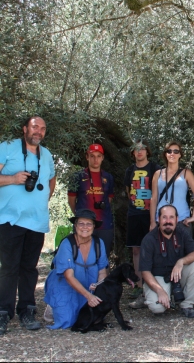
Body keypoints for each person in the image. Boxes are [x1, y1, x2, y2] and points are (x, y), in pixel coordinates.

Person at [0, 116, 56, 335]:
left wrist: (45, 199)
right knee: (9, 268)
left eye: (42, 128)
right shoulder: (8, 147)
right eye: (35, 127)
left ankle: (27, 310)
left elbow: (52, 177)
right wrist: (13, 179)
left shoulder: (47, 154)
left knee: (29, 269)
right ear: (25, 128)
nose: (38, 132)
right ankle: (3, 312)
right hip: (9, 219)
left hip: (36, 221)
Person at [44, 209, 108, 329]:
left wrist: (99, 285)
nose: (85, 227)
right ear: (75, 225)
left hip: (89, 287)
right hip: (66, 285)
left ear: (94, 226)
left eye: (89, 224)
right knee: (67, 322)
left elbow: (102, 271)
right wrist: (89, 296)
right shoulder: (67, 244)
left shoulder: (99, 243)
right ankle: (53, 304)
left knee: (89, 320)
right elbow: (68, 276)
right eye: (81, 223)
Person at [139, 205, 194, 318]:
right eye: (164, 217)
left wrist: (181, 262)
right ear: (158, 219)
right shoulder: (149, 239)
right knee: (157, 308)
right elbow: (145, 272)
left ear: (176, 219)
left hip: (178, 275)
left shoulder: (182, 233)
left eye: (171, 217)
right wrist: (160, 291)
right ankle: (163, 296)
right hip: (159, 278)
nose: (168, 221)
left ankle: (187, 305)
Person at [125, 140, 160, 308]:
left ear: (148, 151)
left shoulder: (155, 168)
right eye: (136, 149)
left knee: (154, 249)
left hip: (151, 214)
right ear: (132, 153)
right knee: (136, 250)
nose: (139, 152)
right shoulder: (129, 171)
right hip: (134, 214)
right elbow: (128, 192)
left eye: (142, 149)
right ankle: (139, 287)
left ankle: (154, 285)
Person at [68, 144, 114, 257]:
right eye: (92, 156)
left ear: (102, 158)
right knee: (80, 256)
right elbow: (71, 200)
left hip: (104, 224)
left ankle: (103, 276)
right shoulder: (77, 176)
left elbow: (109, 199)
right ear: (87, 157)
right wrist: (80, 215)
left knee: (103, 257)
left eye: (98, 156)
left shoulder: (108, 177)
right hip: (83, 225)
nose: (95, 159)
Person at [149, 141, 194, 237]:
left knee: (183, 250)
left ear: (180, 155)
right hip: (161, 220)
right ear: (165, 154)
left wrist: (193, 217)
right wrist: (152, 221)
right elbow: (154, 199)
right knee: (162, 250)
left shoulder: (186, 173)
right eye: (169, 151)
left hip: (182, 219)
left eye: (176, 151)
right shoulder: (158, 174)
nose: (172, 154)